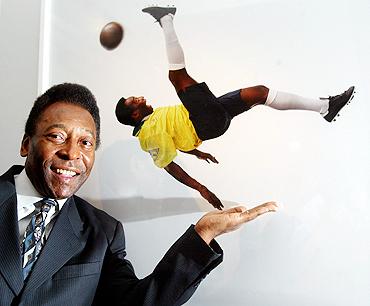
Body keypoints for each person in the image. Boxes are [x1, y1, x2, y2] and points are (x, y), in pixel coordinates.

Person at [0, 82, 277, 306]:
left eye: (86, 142)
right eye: (57, 136)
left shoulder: (103, 233)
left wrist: (204, 233)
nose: (72, 153)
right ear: (26, 144)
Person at [115, 6, 355, 210]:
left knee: (259, 92)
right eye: (133, 101)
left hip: (209, 117)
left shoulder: (155, 122)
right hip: (204, 121)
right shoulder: (147, 135)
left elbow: (174, 144)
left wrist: (198, 153)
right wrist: (202, 188)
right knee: (177, 77)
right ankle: (166, 17)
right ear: (135, 115)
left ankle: (325, 107)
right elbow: (169, 164)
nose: (138, 97)